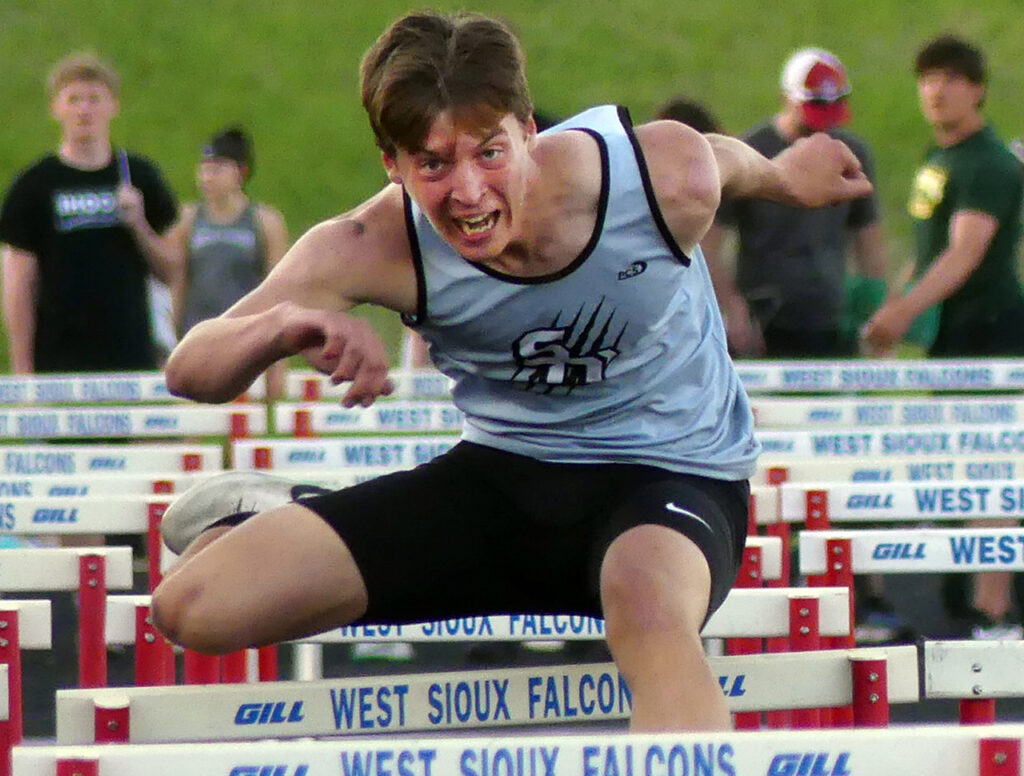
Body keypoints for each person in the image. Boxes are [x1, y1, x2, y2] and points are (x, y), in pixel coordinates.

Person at [151, 10, 871, 731]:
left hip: (670, 477)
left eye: (489, 153)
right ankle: (297, 511)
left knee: (648, 608)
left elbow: (723, 159)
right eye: (433, 164)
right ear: (393, 166)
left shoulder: (649, 180)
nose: (469, 192)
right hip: (501, 485)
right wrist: (284, 326)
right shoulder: (373, 244)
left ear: (529, 132)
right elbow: (190, 370)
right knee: (192, 608)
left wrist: (784, 176)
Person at [862, 34, 1024, 640]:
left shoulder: (989, 163)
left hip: (991, 335)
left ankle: (993, 612)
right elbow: (929, 251)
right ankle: (966, 601)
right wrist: (895, 307)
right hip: (951, 338)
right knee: (958, 470)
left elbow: (964, 253)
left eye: (951, 79)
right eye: (928, 78)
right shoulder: (940, 158)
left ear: (977, 89)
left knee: (993, 471)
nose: (936, 90)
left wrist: (904, 311)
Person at [0, 52, 179, 374]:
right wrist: (22, 368)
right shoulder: (34, 186)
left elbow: (173, 270)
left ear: (113, 106)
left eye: (95, 99)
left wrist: (139, 225)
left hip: (131, 358)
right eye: (74, 99)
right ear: (56, 108)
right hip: (58, 363)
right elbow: (17, 284)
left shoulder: (139, 177)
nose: (84, 110)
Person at [705, 47, 886, 359]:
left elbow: (868, 241)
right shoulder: (751, 152)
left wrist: (873, 308)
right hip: (764, 321)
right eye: (816, 106)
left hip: (830, 318)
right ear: (786, 97)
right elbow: (708, 244)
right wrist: (731, 306)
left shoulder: (851, 153)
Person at [167, 126, 289, 397]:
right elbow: (178, 282)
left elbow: (278, 290)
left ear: (240, 172)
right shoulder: (188, 219)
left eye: (217, 169)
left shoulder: (264, 221)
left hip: (246, 342)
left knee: (244, 417)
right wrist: (172, 342)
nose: (207, 177)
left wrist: (278, 360)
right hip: (198, 338)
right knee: (195, 416)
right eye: (204, 169)